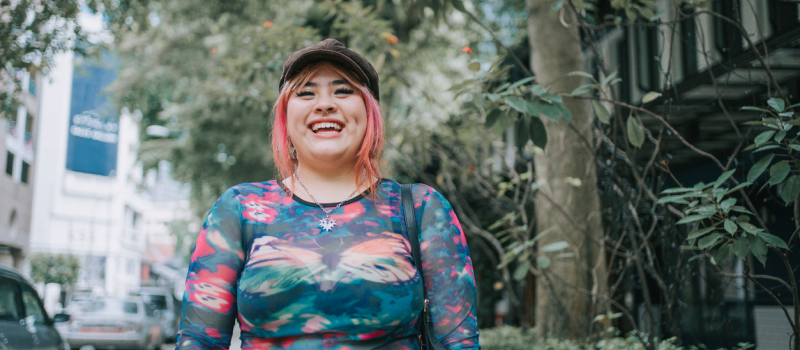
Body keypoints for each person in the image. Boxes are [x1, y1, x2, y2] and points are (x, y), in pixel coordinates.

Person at [176, 39, 480, 350]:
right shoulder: (239, 210)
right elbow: (199, 341)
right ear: (285, 116)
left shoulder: (421, 208)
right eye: (306, 92)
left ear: (369, 112)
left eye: (343, 90)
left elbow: (457, 342)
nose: (324, 104)